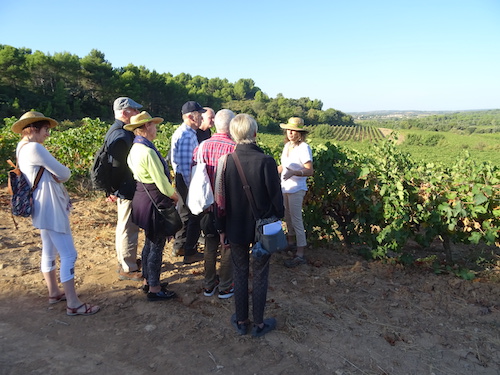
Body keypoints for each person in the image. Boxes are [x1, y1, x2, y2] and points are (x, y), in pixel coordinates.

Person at [12, 111, 100, 316]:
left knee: (49, 249)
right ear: (34, 129)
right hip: (50, 205)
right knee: (69, 254)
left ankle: (54, 292)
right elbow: (65, 173)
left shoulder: (21, 146)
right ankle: (73, 303)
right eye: (45, 130)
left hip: (40, 205)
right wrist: (59, 174)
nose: (47, 135)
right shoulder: (34, 147)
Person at [216, 113, 284, 337]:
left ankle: (241, 321)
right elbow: (277, 200)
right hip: (263, 229)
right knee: (261, 273)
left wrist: (221, 229)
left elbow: (220, 201)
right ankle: (259, 324)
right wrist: (277, 219)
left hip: (235, 227)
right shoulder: (266, 161)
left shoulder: (225, 162)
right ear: (255, 134)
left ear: (233, 135)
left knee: (240, 271)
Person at [126, 112, 179, 301]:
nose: (156, 129)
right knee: (157, 244)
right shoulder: (147, 151)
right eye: (154, 125)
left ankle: (148, 281)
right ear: (147, 127)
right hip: (154, 200)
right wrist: (175, 196)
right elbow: (162, 182)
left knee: (149, 241)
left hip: (142, 198)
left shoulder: (135, 148)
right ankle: (155, 288)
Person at [194, 109, 236, 299]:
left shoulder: (202, 146)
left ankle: (209, 285)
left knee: (210, 245)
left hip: (206, 205)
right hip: (228, 207)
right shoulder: (235, 148)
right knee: (227, 246)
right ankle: (226, 286)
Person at [106, 97, 143, 281]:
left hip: (123, 188)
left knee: (124, 225)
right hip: (126, 188)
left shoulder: (117, 131)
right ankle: (128, 267)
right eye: (134, 110)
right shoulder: (121, 135)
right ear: (124, 112)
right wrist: (114, 189)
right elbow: (117, 167)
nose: (137, 114)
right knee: (129, 227)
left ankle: (125, 260)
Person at [170, 101, 206, 264]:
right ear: (191, 116)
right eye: (199, 114)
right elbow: (185, 166)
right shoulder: (186, 135)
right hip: (186, 181)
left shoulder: (187, 132)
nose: (202, 117)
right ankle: (189, 251)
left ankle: (181, 246)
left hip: (184, 180)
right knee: (193, 215)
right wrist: (193, 188)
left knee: (185, 213)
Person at [277, 117, 314, 268]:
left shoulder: (304, 148)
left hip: (297, 189)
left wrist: (294, 173)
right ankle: (290, 242)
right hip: (285, 187)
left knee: (296, 219)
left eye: (294, 131)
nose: (290, 133)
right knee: (287, 217)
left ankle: (300, 252)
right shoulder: (287, 147)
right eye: (289, 130)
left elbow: (309, 170)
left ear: (300, 133)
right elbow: (282, 166)